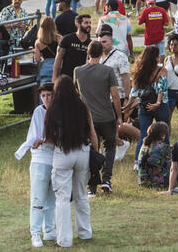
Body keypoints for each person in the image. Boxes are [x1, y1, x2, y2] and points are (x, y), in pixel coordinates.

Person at [43, 77, 98, 248]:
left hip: (63, 153)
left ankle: (64, 239)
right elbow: (92, 131)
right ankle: (85, 232)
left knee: (62, 198)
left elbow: (50, 138)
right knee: (81, 194)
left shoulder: (53, 109)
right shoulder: (82, 106)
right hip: (83, 151)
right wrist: (95, 152)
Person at [73, 40, 123, 196]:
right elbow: (115, 96)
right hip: (107, 116)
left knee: (91, 149)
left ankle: (92, 186)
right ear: (102, 54)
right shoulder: (107, 71)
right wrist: (119, 116)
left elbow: (76, 93)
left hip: (88, 118)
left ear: (87, 53)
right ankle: (107, 179)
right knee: (110, 146)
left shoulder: (78, 71)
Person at [17, 82, 56, 247]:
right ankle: (35, 233)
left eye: (49, 95)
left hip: (56, 158)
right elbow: (34, 136)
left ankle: (49, 230)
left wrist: (46, 139)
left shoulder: (61, 111)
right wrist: (40, 141)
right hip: (40, 159)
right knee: (38, 198)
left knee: (51, 199)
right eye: (43, 96)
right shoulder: (38, 111)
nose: (46, 99)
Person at [136, 120, 172, 189]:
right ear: (162, 135)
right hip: (158, 184)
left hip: (142, 182)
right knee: (173, 162)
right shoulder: (164, 147)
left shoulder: (144, 145)